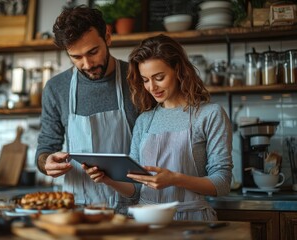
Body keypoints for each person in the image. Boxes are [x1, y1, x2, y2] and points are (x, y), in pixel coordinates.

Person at [84, 34, 233, 221]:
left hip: (191, 220)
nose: (152, 87)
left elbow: (222, 183)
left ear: (178, 70)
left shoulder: (209, 115)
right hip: (148, 221)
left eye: (159, 77)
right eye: (145, 80)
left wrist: (175, 179)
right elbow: (136, 189)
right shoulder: (144, 121)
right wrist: (108, 179)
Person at [35, 5, 139, 211]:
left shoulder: (137, 79)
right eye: (76, 57)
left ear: (107, 37)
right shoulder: (57, 89)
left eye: (93, 52)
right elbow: (45, 149)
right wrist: (47, 162)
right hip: (78, 210)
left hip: (134, 208)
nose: (87, 64)